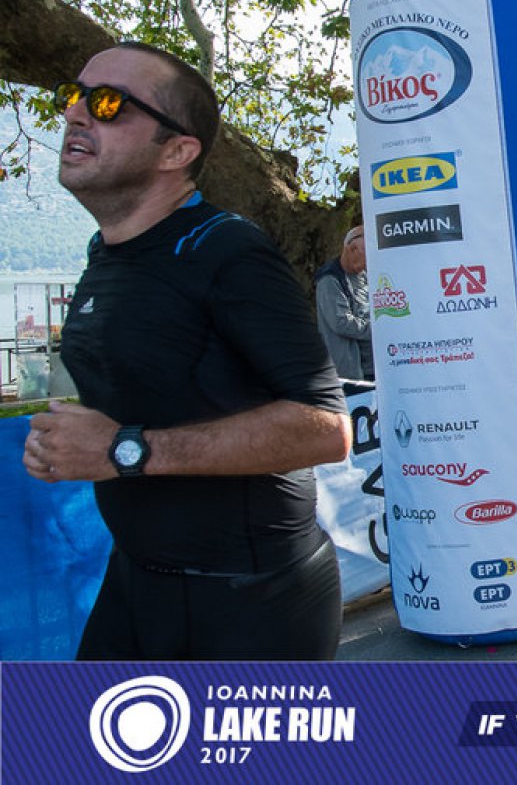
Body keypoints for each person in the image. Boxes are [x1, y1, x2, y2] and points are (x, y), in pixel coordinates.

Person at [23, 43, 351, 660]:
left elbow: (326, 429)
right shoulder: (107, 252)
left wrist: (123, 449)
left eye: (109, 103)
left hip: (249, 601)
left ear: (177, 152)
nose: (76, 113)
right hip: (137, 581)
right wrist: (69, 441)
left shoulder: (227, 252)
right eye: (73, 96)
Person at [314, 225, 374, 381]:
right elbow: (341, 322)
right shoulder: (329, 280)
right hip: (350, 372)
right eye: (366, 256)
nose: (368, 264)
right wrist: (377, 329)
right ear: (351, 249)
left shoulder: (365, 276)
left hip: (372, 368)